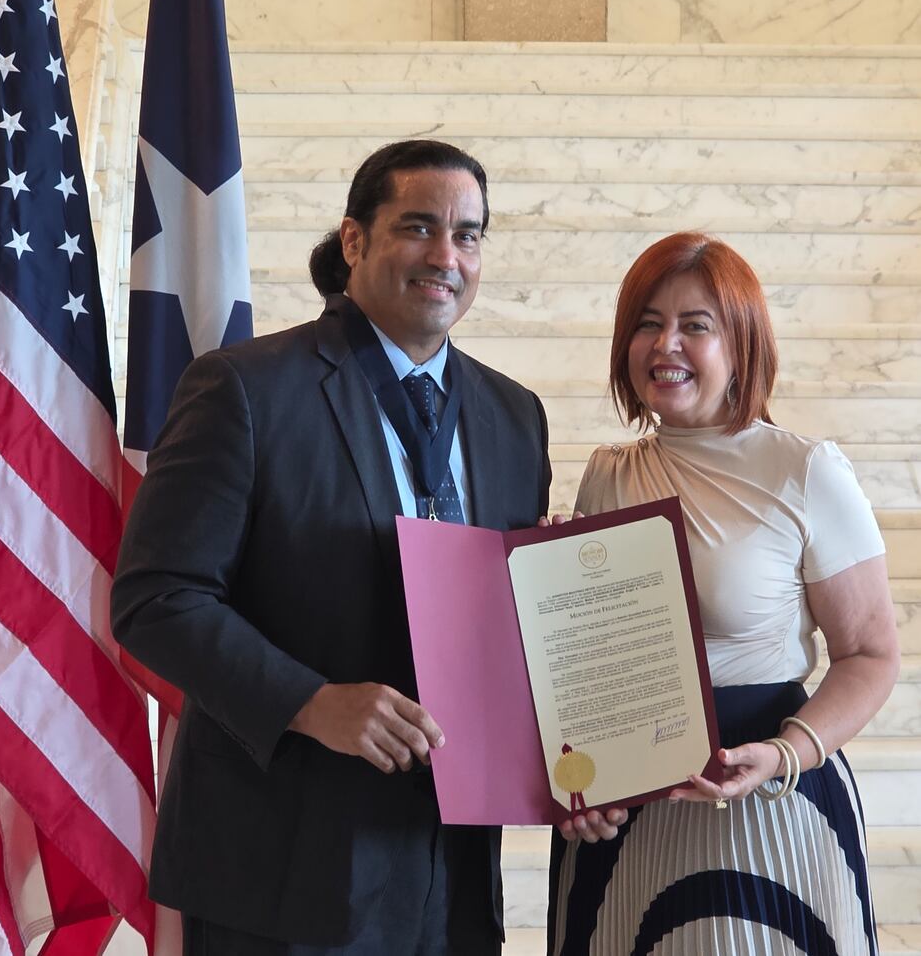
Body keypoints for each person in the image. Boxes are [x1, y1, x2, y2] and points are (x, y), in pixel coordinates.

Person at [112, 139, 622, 955]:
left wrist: (573, 763)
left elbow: (499, 629)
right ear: (353, 240)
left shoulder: (515, 417)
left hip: (450, 871)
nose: (446, 257)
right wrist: (313, 702)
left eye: (469, 235)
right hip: (278, 865)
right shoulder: (243, 389)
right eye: (419, 227)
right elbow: (155, 599)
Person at [548, 232, 900, 956]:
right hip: (629, 809)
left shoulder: (804, 470)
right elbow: (591, 666)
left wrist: (782, 755)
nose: (664, 342)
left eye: (694, 325)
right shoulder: (608, 473)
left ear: (741, 343)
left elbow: (869, 654)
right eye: (648, 322)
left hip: (766, 800)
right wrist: (574, 783)